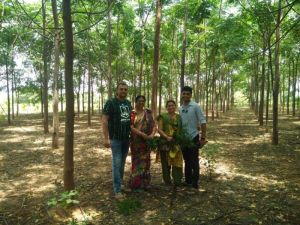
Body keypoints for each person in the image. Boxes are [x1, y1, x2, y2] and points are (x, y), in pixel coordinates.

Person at [102, 81, 132, 199]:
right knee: (116, 162)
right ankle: (117, 190)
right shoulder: (111, 103)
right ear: (117, 90)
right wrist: (105, 138)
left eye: (125, 89)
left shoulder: (128, 103)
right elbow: (104, 120)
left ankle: (119, 183)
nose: (123, 91)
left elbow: (131, 120)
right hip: (115, 139)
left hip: (126, 138)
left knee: (122, 162)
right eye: (121, 89)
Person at [179, 86, 207, 189]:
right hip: (184, 139)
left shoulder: (195, 106)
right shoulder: (180, 108)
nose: (185, 95)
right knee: (186, 160)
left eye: (188, 94)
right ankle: (188, 180)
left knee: (194, 160)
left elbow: (203, 122)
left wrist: (203, 138)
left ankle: (195, 183)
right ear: (181, 95)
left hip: (194, 137)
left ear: (191, 95)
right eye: (184, 93)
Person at [128, 95, 156, 191]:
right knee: (136, 162)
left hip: (146, 142)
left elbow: (154, 125)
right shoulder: (132, 113)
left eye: (143, 101)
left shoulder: (148, 112)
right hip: (136, 142)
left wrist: (152, 135)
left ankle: (146, 183)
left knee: (146, 162)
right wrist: (141, 134)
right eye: (139, 101)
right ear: (135, 102)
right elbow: (131, 127)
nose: (141, 102)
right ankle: (136, 183)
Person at [157, 100, 183, 186]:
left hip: (176, 143)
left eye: (172, 105)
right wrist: (166, 137)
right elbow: (159, 129)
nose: (171, 107)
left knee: (177, 162)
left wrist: (178, 139)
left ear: (175, 106)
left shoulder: (179, 117)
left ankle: (177, 180)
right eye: (169, 106)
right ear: (166, 107)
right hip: (165, 142)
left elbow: (181, 129)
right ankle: (167, 181)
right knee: (165, 163)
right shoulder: (162, 117)